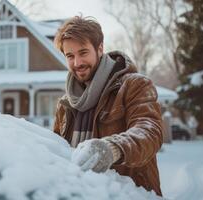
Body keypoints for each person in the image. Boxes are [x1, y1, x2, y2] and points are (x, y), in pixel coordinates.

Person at [53, 16, 163, 196]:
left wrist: (113, 148)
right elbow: (56, 152)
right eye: (70, 56)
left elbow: (150, 131)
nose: (77, 63)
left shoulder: (134, 85)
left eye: (83, 52)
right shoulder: (65, 105)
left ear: (100, 48)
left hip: (130, 194)